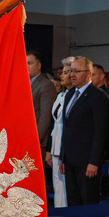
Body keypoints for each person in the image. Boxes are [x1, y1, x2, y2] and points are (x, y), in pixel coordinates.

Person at [60, 56, 109, 206]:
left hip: (87, 162)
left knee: (88, 204)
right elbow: (66, 128)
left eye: (77, 71)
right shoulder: (70, 95)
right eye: (71, 71)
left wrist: (94, 161)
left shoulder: (98, 96)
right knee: (72, 203)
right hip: (70, 161)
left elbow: (101, 132)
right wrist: (63, 157)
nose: (72, 75)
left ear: (88, 74)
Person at [46, 57, 74, 207]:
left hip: (68, 147)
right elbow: (53, 124)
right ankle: (59, 211)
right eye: (62, 72)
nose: (61, 75)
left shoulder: (75, 97)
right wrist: (49, 149)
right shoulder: (60, 95)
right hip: (55, 146)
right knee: (57, 185)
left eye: (66, 72)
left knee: (67, 187)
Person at [28, 51, 56, 161]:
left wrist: (35, 140)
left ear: (39, 65)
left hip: (36, 142)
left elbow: (45, 116)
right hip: (22, 139)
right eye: (24, 63)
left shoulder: (46, 85)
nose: (26, 66)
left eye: (30, 63)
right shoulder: (21, 83)